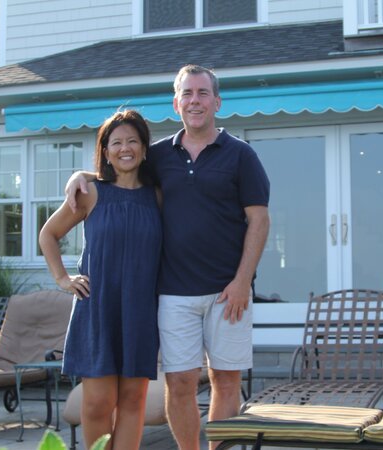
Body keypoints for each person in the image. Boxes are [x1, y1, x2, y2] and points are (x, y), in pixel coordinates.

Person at [65, 64, 270, 450]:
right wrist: (82, 176)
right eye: (187, 94)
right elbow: (119, 170)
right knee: (179, 383)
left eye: (203, 93)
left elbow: (259, 220)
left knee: (226, 381)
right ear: (176, 104)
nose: (195, 101)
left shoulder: (242, 155)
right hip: (173, 292)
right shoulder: (157, 155)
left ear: (217, 101)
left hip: (230, 292)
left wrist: (243, 280)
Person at [39, 109, 162, 450]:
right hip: (97, 309)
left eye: (133, 141)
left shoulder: (158, 195)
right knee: (96, 403)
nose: (125, 148)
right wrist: (63, 279)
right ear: (105, 150)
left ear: (144, 148)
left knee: (133, 401)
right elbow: (49, 234)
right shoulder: (90, 193)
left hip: (140, 310)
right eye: (117, 142)